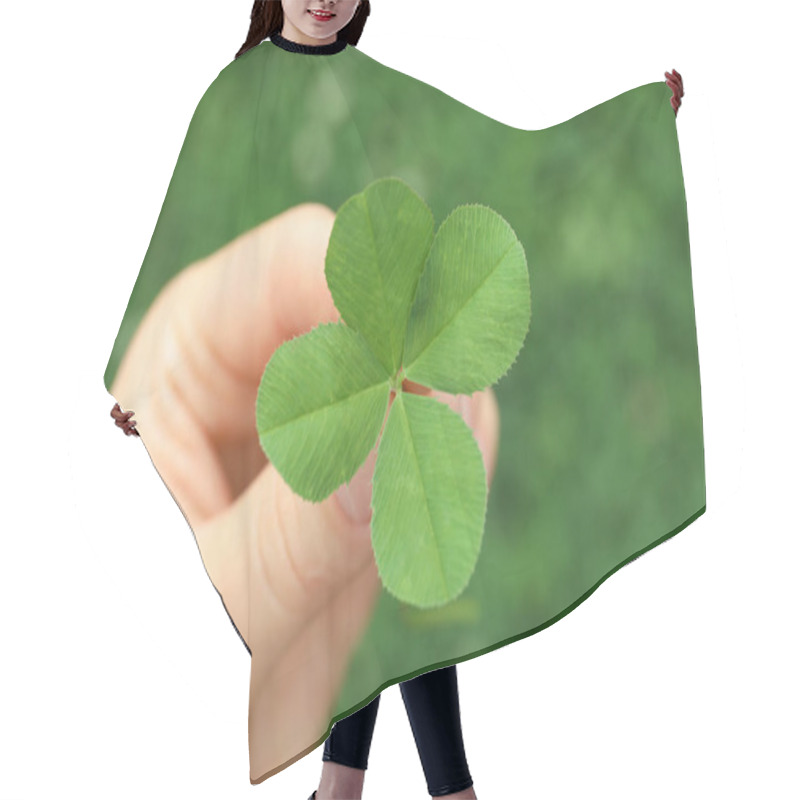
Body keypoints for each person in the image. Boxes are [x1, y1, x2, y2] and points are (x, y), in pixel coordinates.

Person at [110, 2, 684, 797]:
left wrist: (634, 124)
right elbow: (186, 234)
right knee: (372, 584)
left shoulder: (376, 88)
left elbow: (492, 161)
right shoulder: (235, 95)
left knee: (398, 579)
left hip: (388, 371)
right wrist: (140, 371)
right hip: (299, 388)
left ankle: (352, 789)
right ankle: (428, 790)